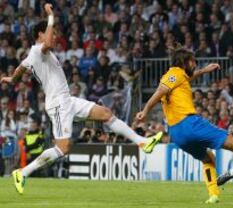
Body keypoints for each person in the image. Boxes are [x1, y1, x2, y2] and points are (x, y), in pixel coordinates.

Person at [2, 4, 162, 195]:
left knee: (106, 114)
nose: (54, 36)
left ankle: (141, 142)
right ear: (39, 34)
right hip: (58, 105)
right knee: (63, 148)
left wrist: (12, 78)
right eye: (49, 32)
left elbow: (21, 67)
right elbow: (47, 46)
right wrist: (51, 16)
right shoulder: (37, 51)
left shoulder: (32, 56)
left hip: (68, 100)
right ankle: (22, 173)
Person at [135, 45, 233, 204]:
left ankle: (213, 195)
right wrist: (145, 111)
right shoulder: (173, 73)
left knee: (208, 159)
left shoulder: (180, 76)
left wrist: (204, 71)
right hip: (190, 124)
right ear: (184, 62)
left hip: (176, 134)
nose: (195, 65)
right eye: (193, 62)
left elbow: (186, 78)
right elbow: (160, 91)